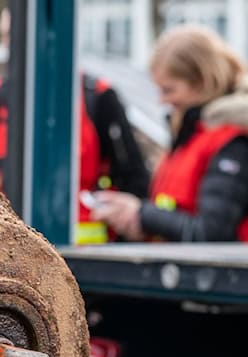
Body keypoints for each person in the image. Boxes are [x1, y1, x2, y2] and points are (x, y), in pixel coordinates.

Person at [0, 9, 149, 244]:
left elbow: (134, 179)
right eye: (6, 36)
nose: (12, 44)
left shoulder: (98, 96)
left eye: (16, 35)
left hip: (86, 253)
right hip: (8, 247)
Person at [92, 26, 248, 242]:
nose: (162, 101)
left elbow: (211, 233)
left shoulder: (232, 140)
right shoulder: (192, 136)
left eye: (169, 90)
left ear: (202, 81)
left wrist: (142, 214)